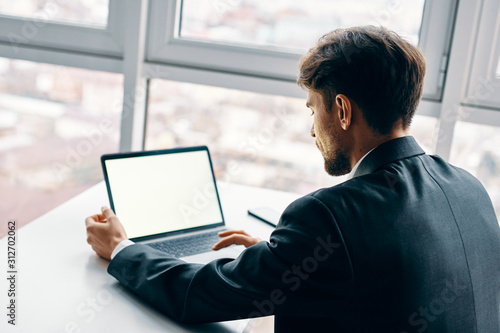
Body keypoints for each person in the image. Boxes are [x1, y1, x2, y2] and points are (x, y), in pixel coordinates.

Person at [85, 26, 500, 332]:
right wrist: (285, 259)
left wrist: (121, 248)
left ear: (342, 110)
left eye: (311, 108)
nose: (310, 128)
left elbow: (201, 293)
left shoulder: (328, 217)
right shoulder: (469, 187)